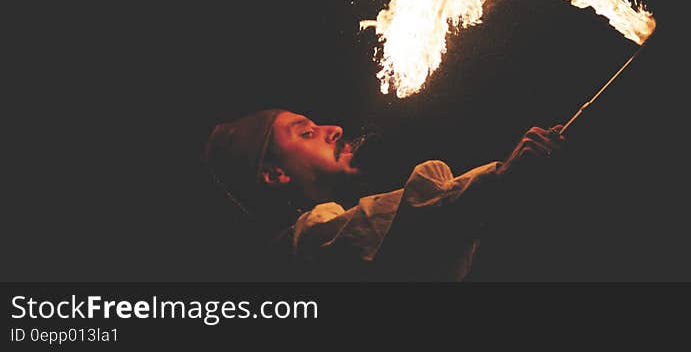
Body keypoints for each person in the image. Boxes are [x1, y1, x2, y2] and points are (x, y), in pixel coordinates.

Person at [204, 108, 565, 280]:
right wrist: (501, 179)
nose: (333, 129)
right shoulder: (304, 245)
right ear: (273, 174)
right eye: (307, 133)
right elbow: (421, 225)